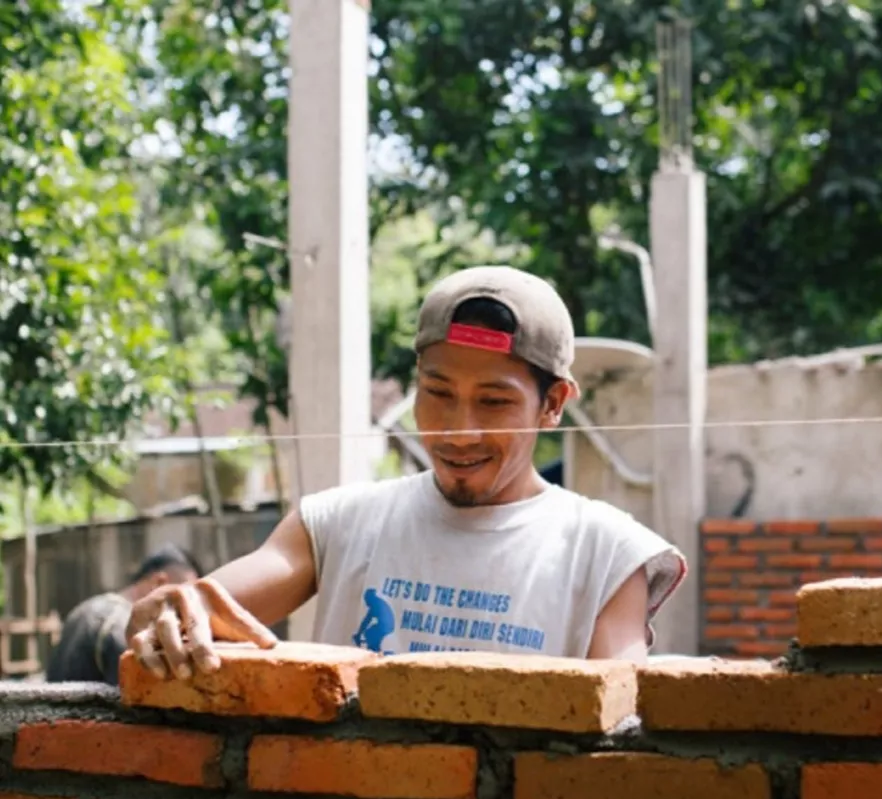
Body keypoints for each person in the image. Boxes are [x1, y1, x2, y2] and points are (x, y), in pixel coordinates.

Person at [126, 266, 687, 680]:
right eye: (438, 393)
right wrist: (172, 611)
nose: (457, 430)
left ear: (554, 402)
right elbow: (204, 610)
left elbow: (620, 713)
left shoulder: (608, 554)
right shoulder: (337, 524)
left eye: (493, 402)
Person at [46, 544, 200, 685]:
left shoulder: (86, 608)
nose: (186, 607)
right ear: (160, 583)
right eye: (182, 595)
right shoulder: (123, 625)